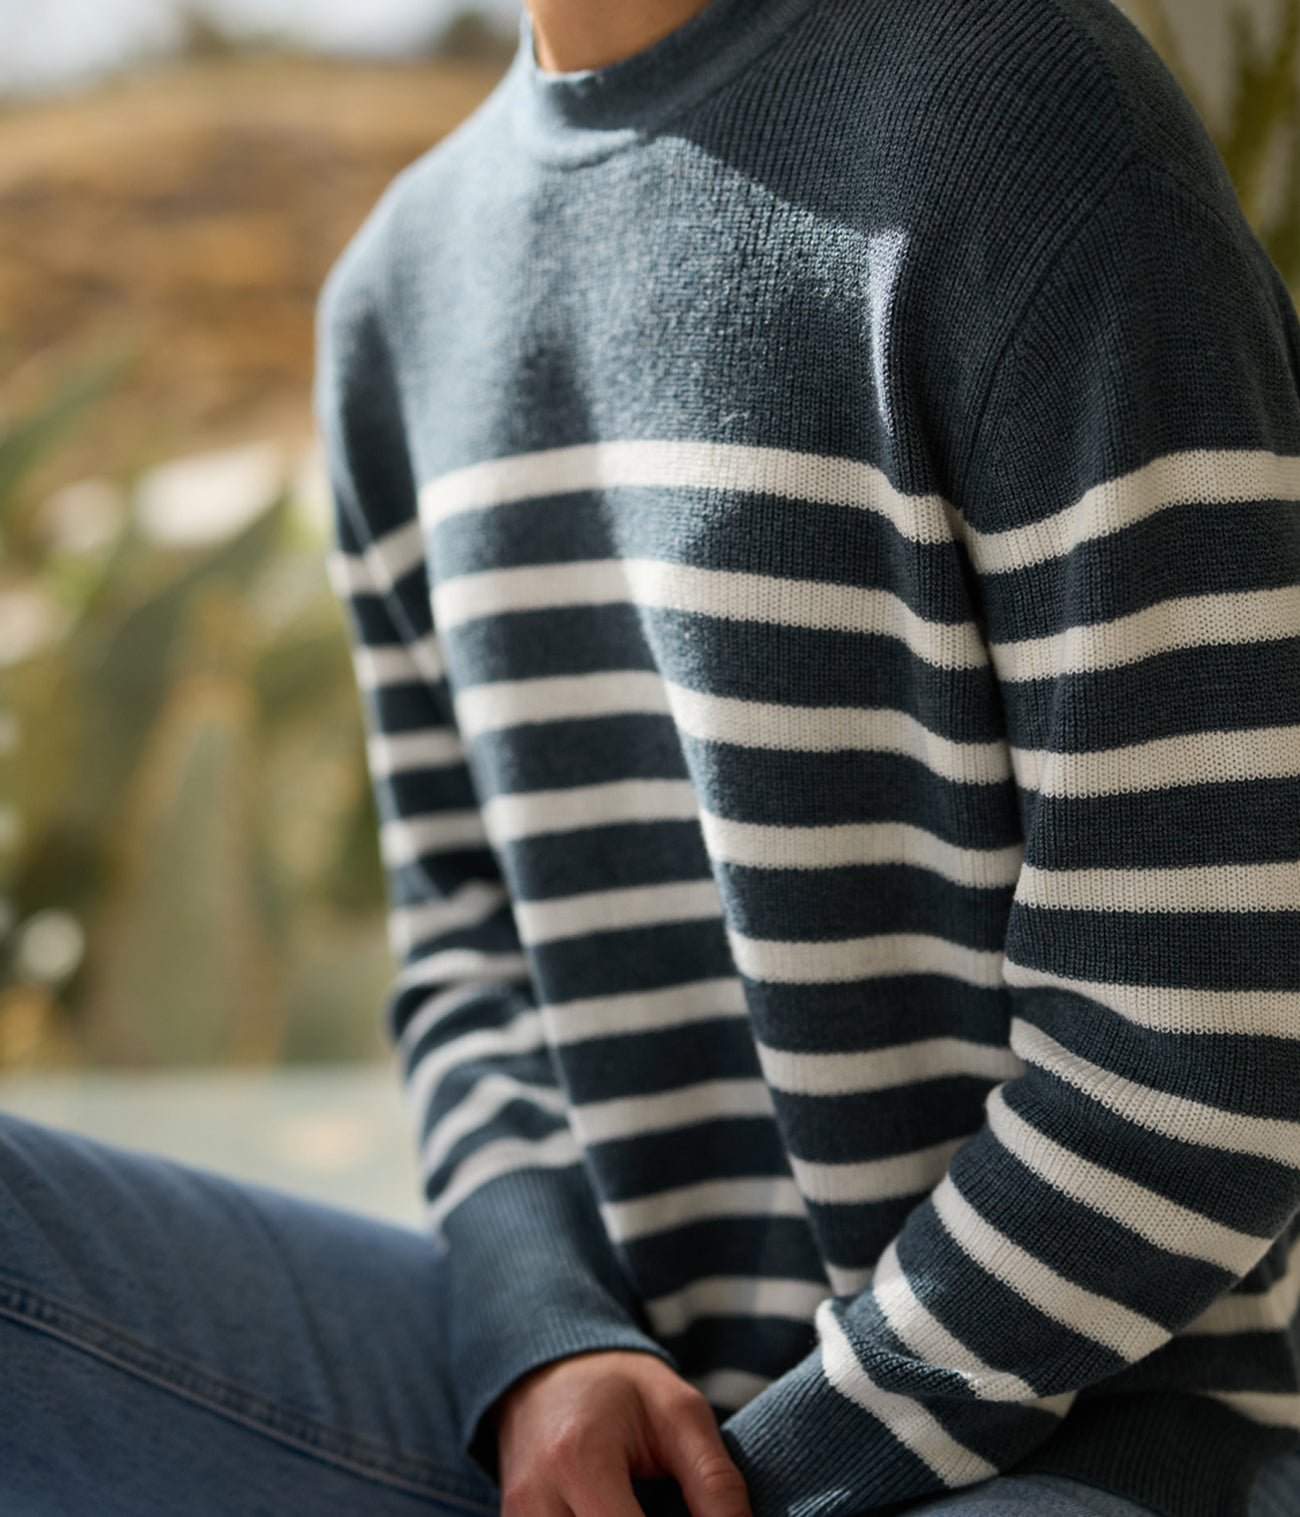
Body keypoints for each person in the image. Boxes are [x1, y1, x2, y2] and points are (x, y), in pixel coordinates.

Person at [2, 0, 1299, 1514]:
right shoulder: (396, 296)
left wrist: (775, 1465)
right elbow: (469, 964)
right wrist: (539, 1346)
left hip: (1061, 1433)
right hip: (585, 1439)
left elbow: (1204, 1048)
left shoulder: (1025, 115)